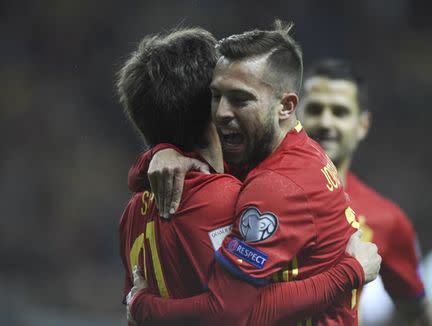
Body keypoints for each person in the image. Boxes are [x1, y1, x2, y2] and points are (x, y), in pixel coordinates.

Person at [126, 22, 381, 325]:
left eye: (240, 99)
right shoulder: (268, 149)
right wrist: (158, 153)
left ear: (286, 106)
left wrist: (141, 307)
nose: (220, 112)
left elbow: (232, 314)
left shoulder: (275, 187)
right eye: (215, 95)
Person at [298, 59, 432, 325]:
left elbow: (418, 313)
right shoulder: (252, 188)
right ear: (296, 113)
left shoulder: (387, 220)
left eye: (340, 112)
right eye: (316, 109)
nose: (326, 121)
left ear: (362, 125)